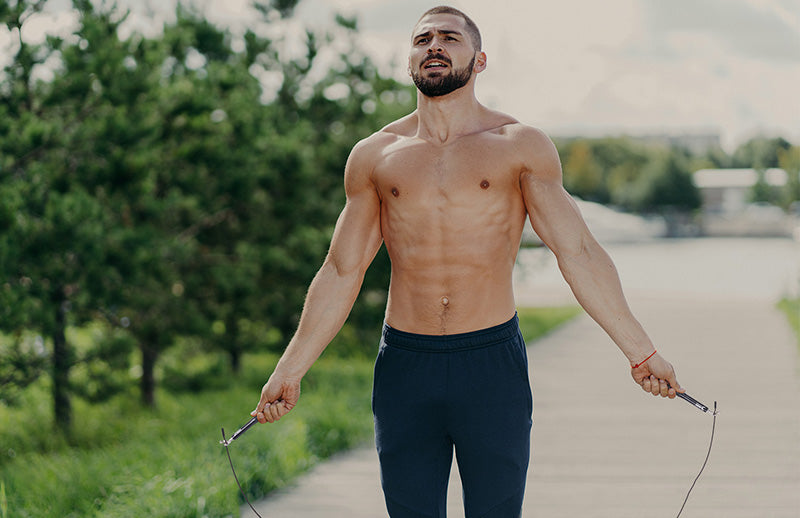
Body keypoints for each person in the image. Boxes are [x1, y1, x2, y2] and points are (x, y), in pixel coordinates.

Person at [252, 5, 683, 517]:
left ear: (479, 61)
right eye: (423, 39)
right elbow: (343, 270)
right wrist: (290, 368)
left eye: (449, 38)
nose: (434, 45)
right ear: (410, 60)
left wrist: (640, 351)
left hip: (490, 361)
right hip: (406, 365)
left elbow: (579, 252)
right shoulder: (375, 155)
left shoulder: (518, 145)